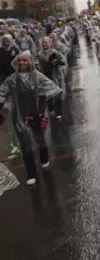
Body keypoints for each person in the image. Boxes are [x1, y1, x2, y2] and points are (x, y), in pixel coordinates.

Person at [0, 51, 62, 186]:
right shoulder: (11, 79)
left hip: (36, 115)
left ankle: (44, 160)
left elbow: (45, 93)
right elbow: (2, 93)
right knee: (25, 146)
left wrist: (40, 112)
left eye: (24, 60)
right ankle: (31, 173)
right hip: (19, 117)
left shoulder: (37, 77)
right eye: (19, 60)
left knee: (40, 140)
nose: (21, 63)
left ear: (30, 62)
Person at [36, 37, 67, 120]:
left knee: (57, 93)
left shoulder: (55, 52)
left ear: (49, 43)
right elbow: (36, 63)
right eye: (43, 43)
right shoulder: (39, 54)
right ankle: (51, 108)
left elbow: (63, 59)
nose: (44, 44)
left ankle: (59, 113)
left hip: (56, 76)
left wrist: (57, 62)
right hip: (45, 76)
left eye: (46, 42)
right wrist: (40, 68)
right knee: (47, 94)